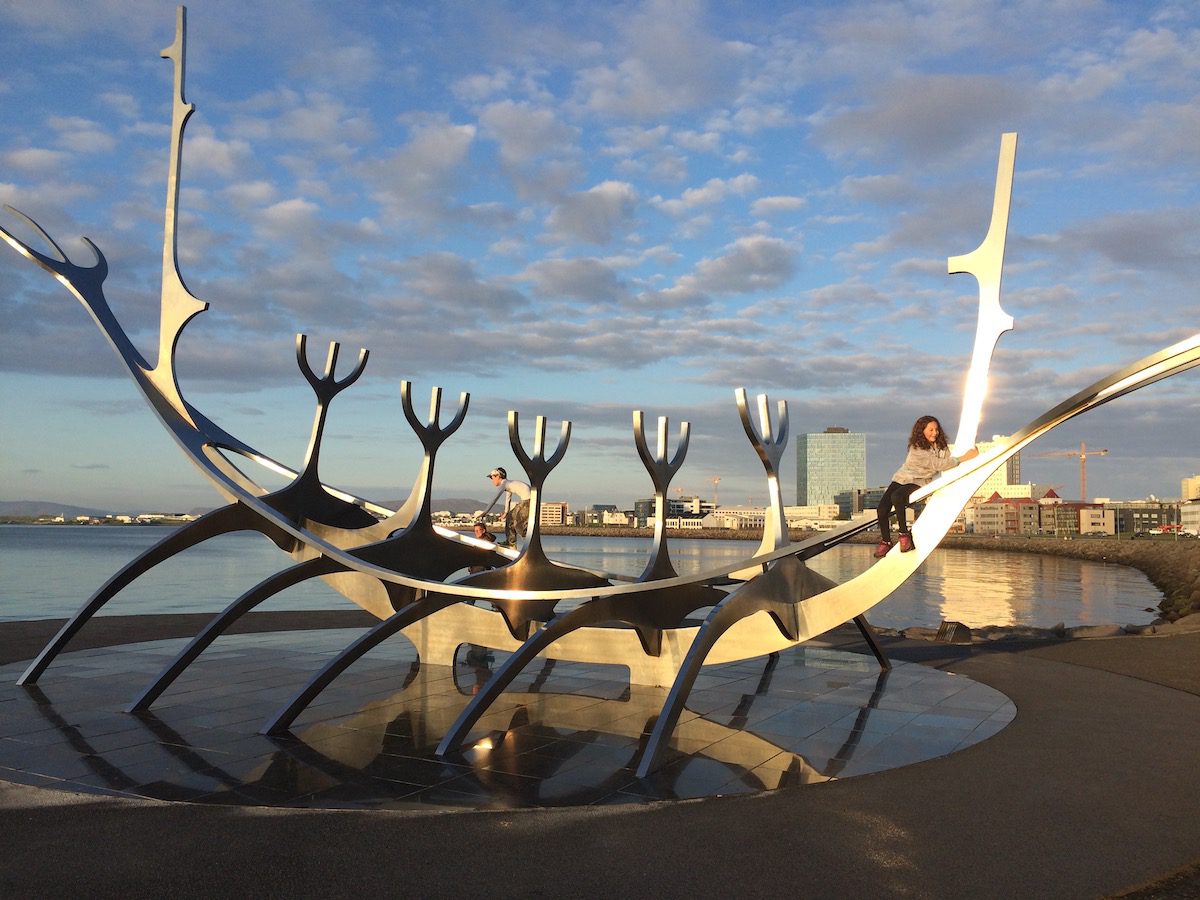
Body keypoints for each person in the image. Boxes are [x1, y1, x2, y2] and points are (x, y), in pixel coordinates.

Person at [875, 416, 979, 558]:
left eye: (936, 429)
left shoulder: (941, 446)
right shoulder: (916, 447)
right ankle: (886, 541)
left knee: (897, 497)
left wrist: (960, 459)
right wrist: (965, 457)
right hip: (902, 477)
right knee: (882, 509)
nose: (934, 433)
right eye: (930, 429)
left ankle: (904, 535)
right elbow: (938, 464)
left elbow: (946, 461)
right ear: (921, 431)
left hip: (920, 480)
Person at [485, 467, 531, 547]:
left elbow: (494, 499)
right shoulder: (508, 484)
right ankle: (511, 542)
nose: (492, 481)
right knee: (509, 518)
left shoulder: (504, 484)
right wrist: (506, 512)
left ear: (497, 476)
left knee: (519, 525)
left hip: (528, 500)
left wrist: (484, 512)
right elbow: (508, 499)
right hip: (527, 499)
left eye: (492, 478)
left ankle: (530, 544)